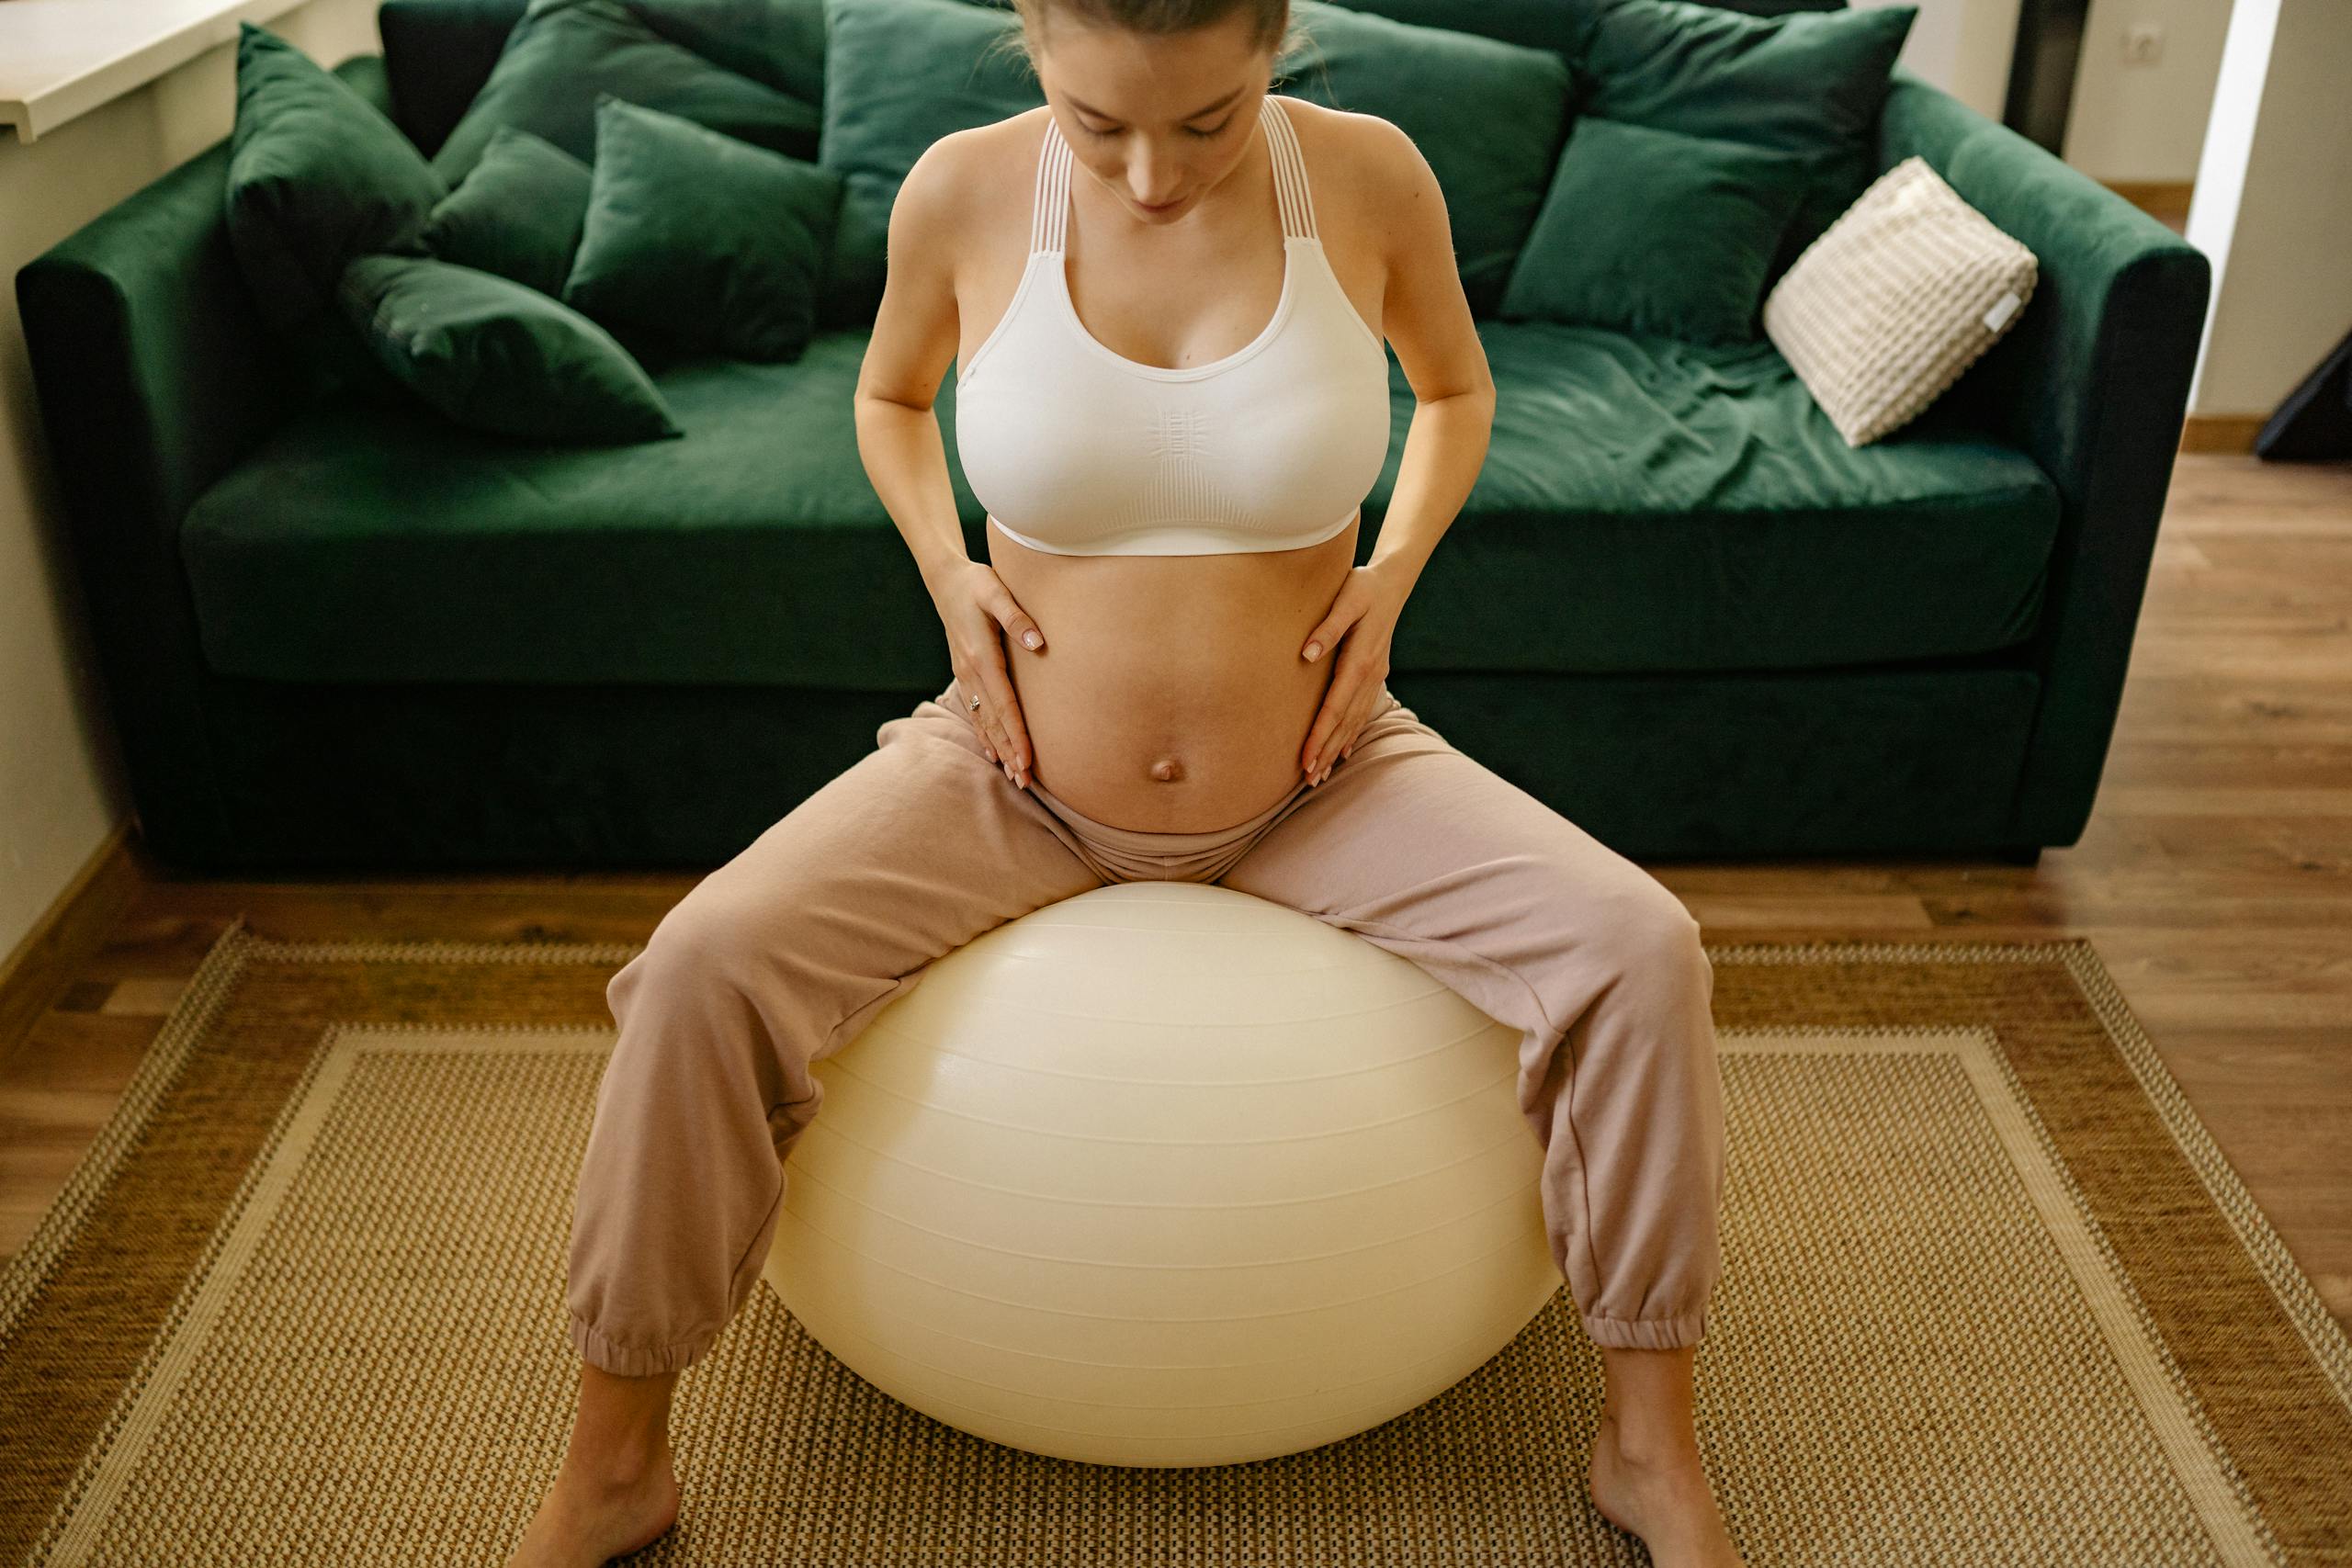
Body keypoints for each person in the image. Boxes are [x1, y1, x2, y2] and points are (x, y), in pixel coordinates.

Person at [506, 3, 1742, 1563]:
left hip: (1323, 774)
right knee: (696, 968)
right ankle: (617, 1457)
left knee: (1641, 951)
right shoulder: (959, 190)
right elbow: (891, 401)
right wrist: (947, 570)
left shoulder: (1368, 180)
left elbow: (1458, 393)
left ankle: (1649, 1448)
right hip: (1011, 770)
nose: (1153, 174)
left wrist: (1392, 568)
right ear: (1032, 41)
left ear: (1276, 41)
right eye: (1101, 125)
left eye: (1208, 121)